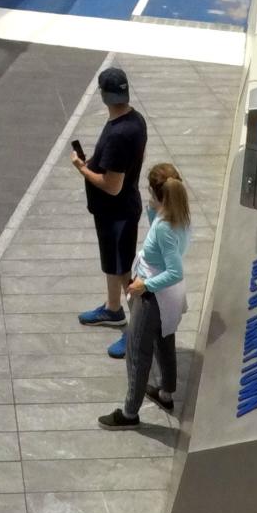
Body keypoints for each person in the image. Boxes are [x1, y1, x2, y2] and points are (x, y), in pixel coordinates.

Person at [97, 168, 192, 429]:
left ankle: (129, 413)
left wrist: (144, 285)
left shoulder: (164, 228)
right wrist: (153, 208)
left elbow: (175, 271)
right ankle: (166, 392)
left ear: (157, 193)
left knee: (137, 352)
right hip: (170, 297)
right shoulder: (179, 216)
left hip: (154, 297)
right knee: (165, 342)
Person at [73, 67, 147, 360]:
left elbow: (112, 186)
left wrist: (81, 168)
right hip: (115, 212)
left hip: (117, 212)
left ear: (104, 95)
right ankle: (113, 310)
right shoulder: (133, 119)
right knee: (113, 264)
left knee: (124, 270)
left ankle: (137, 330)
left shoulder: (119, 134)